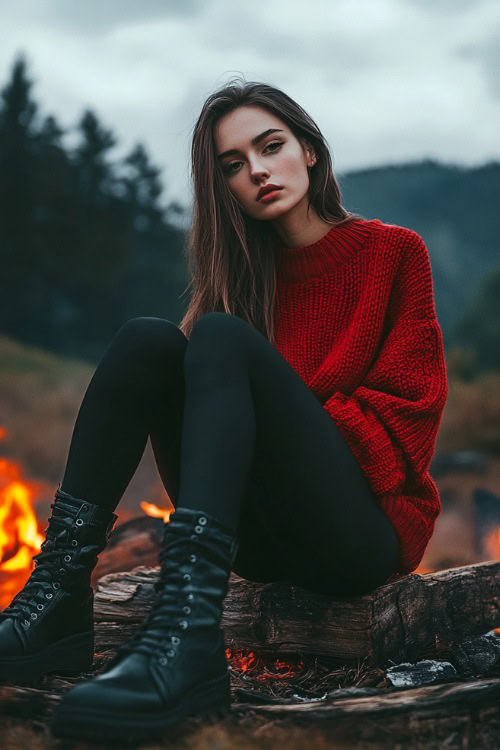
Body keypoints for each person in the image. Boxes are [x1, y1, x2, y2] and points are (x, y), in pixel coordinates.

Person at [0, 78, 448, 742]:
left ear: (311, 151)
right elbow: (204, 418)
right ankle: (58, 599)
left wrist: (284, 418)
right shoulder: (238, 277)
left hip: (360, 533)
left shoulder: (394, 253)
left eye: (271, 147)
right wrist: (254, 423)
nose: (257, 171)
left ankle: (186, 641)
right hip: (262, 539)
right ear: (223, 188)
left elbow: (409, 419)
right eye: (232, 166)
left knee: (219, 338)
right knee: (147, 341)